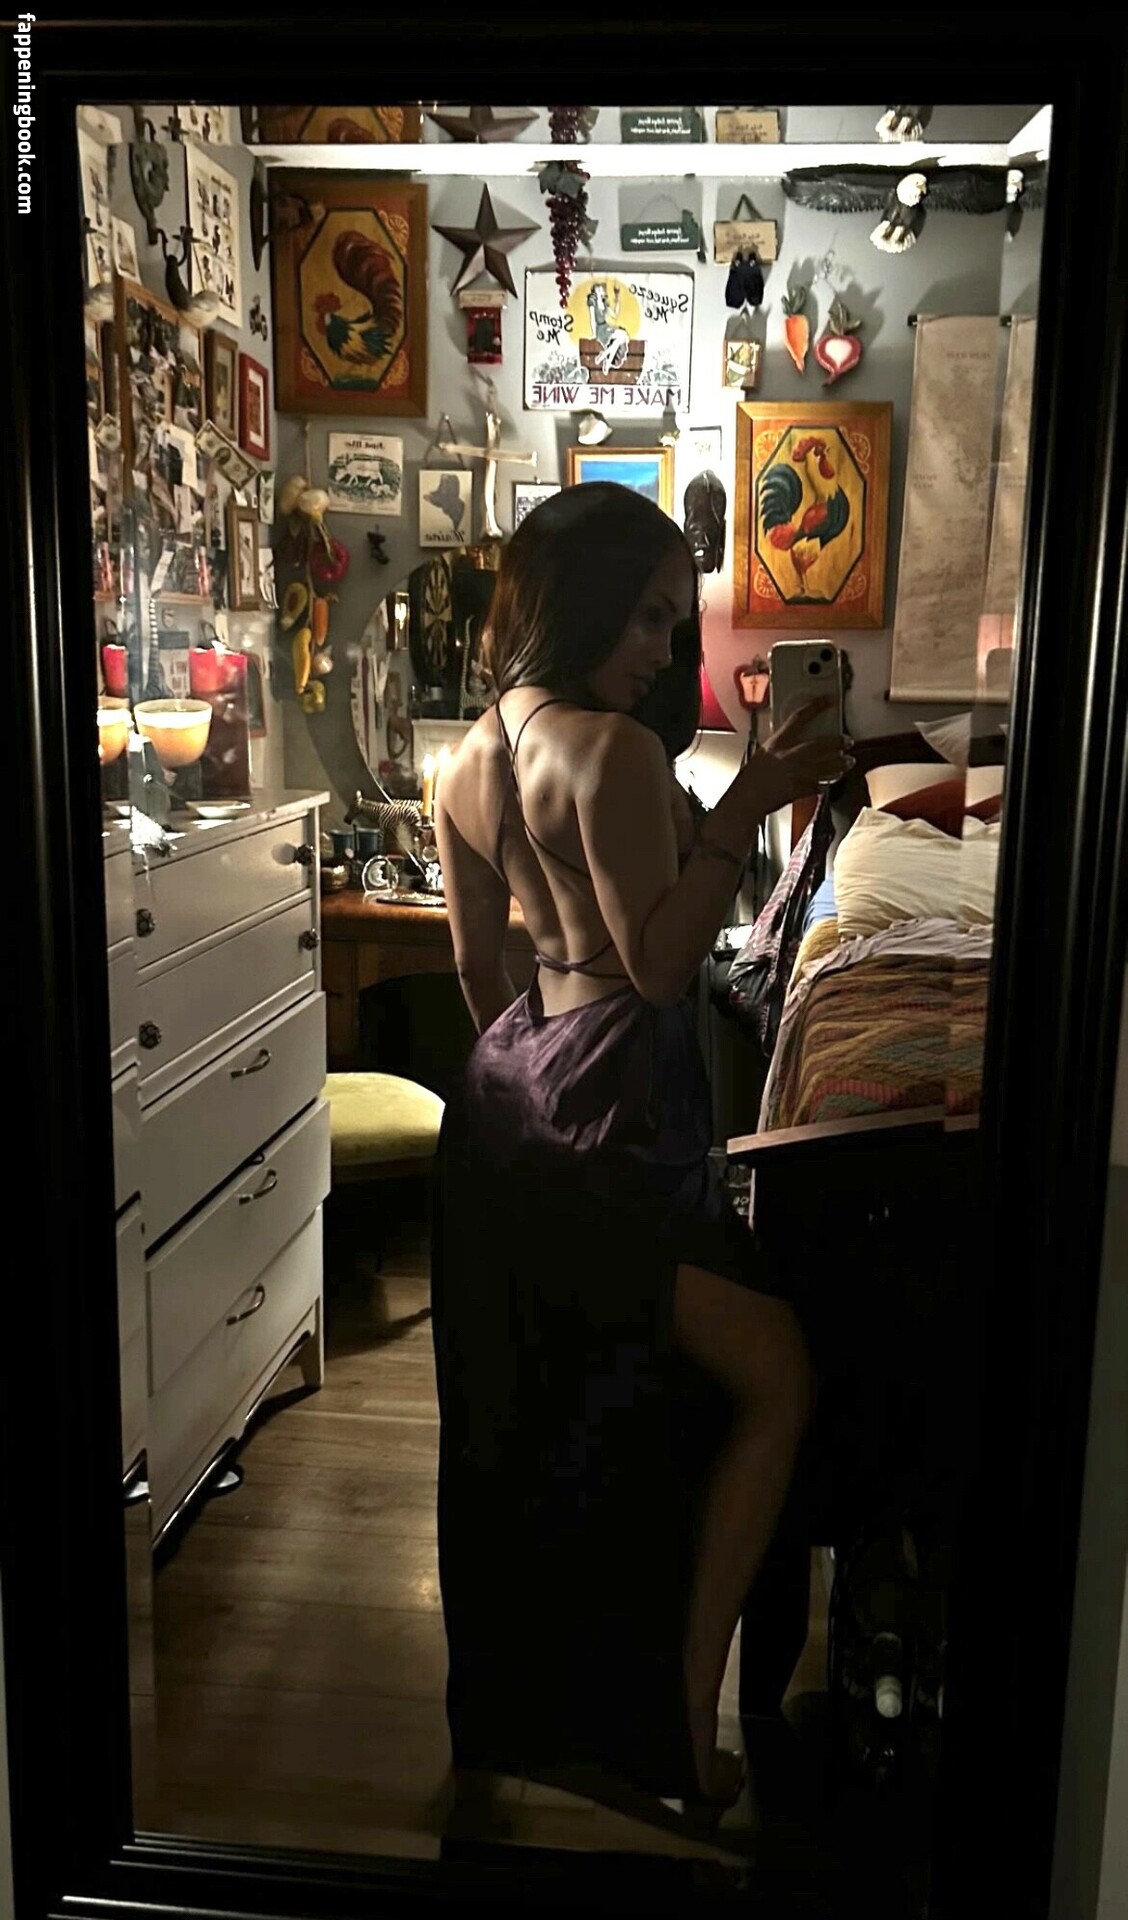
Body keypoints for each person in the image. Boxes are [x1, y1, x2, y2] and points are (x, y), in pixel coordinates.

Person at [430, 482, 850, 1817]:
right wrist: (751, 800)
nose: (668, 650)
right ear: (590, 604)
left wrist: (533, 1086)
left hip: (512, 1103)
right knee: (773, 1378)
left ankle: (551, 1722)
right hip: (613, 1104)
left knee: (546, 1421)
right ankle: (677, 1726)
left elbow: (477, 974)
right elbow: (664, 970)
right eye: (656, 619)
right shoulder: (607, 750)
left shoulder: (468, 758)